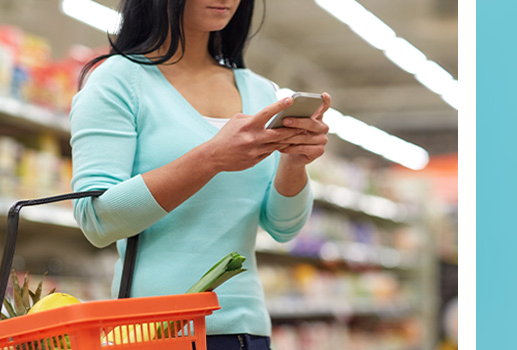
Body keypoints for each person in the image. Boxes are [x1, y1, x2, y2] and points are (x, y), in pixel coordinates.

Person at [69, 1, 331, 349]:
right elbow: (96, 219)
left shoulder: (260, 91)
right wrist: (211, 158)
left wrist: (294, 162)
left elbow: (283, 228)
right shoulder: (118, 80)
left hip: (247, 329)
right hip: (155, 332)